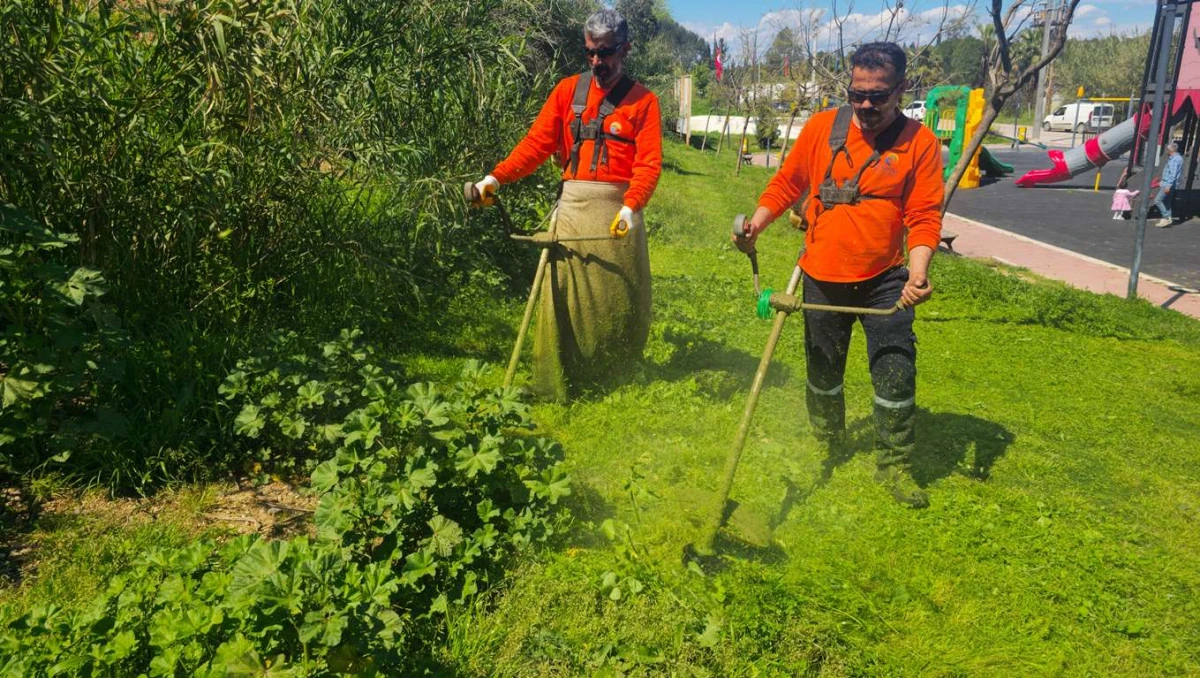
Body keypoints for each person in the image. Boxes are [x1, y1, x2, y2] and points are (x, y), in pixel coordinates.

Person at [733, 42, 943, 508]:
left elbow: (925, 215)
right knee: (823, 370)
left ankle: (894, 464)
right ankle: (827, 445)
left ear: (901, 89)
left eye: (879, 95)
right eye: (857, 94)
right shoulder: (821, 128)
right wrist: (757, 225)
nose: (866, 105)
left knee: (894, 369)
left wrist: (919, 273)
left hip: (886, 278)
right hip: (821, 275)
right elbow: (788, 182)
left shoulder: (921, 144)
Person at [471, 9, 662, 400]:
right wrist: (496, 177)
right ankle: (557, 379)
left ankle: (614, 374)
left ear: (624, 50)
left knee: (618, 298)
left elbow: (649, 163)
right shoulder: (565, 92)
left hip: (617, 215)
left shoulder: (644, 103)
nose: (596, 62)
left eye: (605, 53)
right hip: (573, 210)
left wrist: (631, 206)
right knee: (561, 295)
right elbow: (536, 145)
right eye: (590, 53)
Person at [1154, 142, 1183, 228]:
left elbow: (1173, 174)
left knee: (1158, 200)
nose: (1166, 150)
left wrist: (1167, 185)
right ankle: (1168, 219)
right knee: (1166, 202)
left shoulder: (1174, 160)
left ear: (1170, 150)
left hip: (1168, 184)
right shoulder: (1178, 158)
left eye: (1167, 149)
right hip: (1170, 184)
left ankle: (1166, 217)